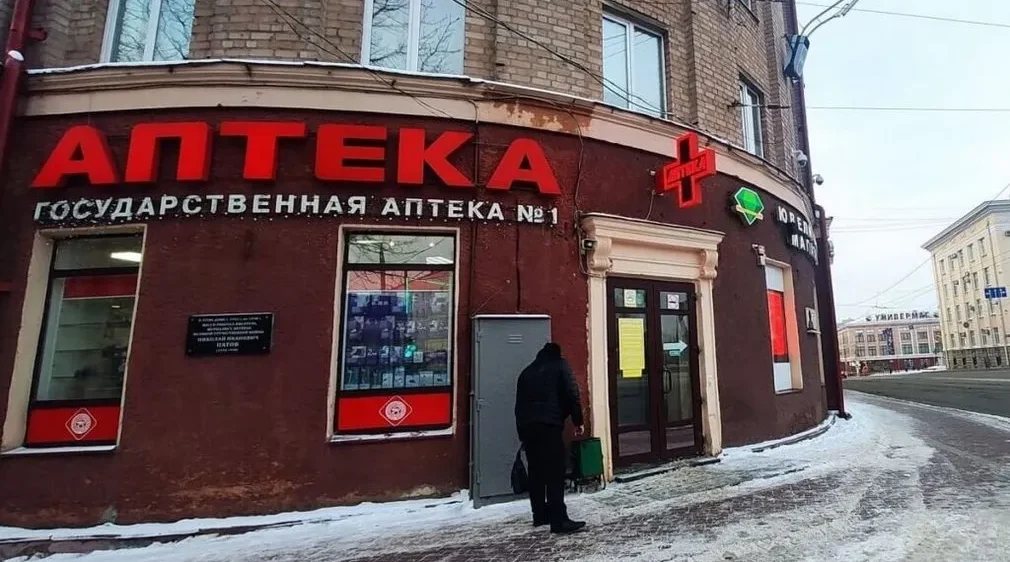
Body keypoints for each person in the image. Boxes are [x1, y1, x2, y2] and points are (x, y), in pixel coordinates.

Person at [514, 342, 586, 534]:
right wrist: (578, 421)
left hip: (529, 428)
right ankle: (559, 520)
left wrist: (522, 433)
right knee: (555, 472)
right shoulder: (560, 366)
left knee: (536, 471)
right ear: (557, 353)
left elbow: (518, 406)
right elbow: (572, 394)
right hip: (550, 426)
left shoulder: (526, 372)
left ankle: (539, 514)